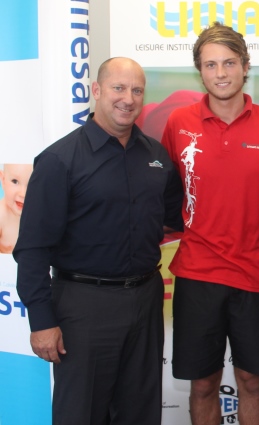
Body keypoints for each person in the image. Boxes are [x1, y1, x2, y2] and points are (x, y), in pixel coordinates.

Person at [14, 57, 183, 425]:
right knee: (82, 413)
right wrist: (41, 321)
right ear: (96, 91)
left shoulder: (156, 156)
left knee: (140, 411)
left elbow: (173, 216)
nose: (128, 98)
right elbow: (31, 249)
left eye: (137, 90)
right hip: (83, 306)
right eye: (118, 88)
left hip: (145, 298)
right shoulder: (60, 160)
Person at [160, 22, 259, 425]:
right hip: (197, 274)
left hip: (254, 275)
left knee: (252, 381)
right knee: (202, 384)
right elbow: (162, 191)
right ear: (199, 71)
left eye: (229, 63)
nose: (220, 73)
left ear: (245, 66)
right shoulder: (178, 123)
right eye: (210, 65)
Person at [0, 163, 33, 253]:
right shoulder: (1, 215)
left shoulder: (40, 215)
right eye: (15, 181)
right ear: (3, 180)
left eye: (31, 184)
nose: (23, 194)